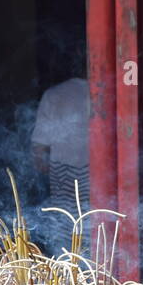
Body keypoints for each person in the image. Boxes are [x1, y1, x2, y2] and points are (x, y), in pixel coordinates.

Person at [31, 76, 90, 211]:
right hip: (94, 171)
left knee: (65, 221)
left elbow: (39, 143)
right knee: (97, 223)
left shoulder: (53, 94)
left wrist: (42, 165)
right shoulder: (100, 91)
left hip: (62, 171)